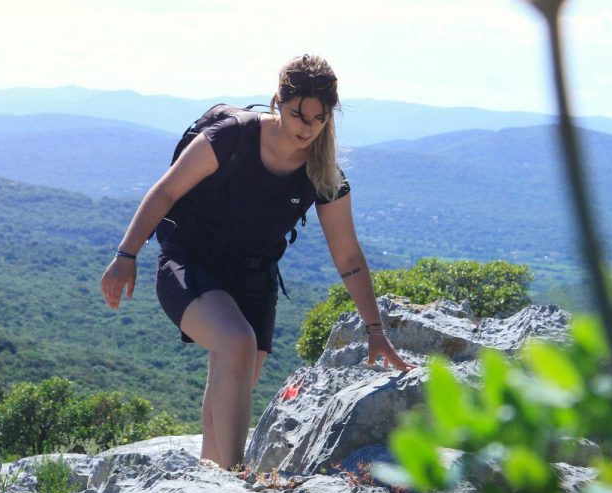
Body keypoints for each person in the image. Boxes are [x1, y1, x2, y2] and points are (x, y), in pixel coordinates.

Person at [100, 54, 413, 470]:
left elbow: (348, 255)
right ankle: (231, 483)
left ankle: (209, 479)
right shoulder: (233, 136)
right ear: (276, 103)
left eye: (318, 118)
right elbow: (166, 192)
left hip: (254, 279)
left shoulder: (322, 172)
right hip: (190, 260)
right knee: (236, 343)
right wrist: (126, 255)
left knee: (231, 385)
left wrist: (375, 330)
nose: (306, 126)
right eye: (298, 113)